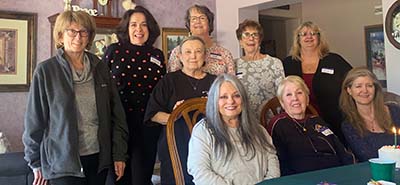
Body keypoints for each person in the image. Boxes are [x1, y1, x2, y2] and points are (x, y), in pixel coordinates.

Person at [22, 11, 129, 185]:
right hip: (62, 163)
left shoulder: (100, 67)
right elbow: (34, 121)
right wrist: (35, 162)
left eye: (83, 31)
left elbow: (117, 115)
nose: (78, 37)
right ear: (60, 36)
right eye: (71, 31)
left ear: (89, 37)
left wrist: (119, 154)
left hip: (98, 159)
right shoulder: (46, 71)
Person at [102, 6, 165, 185]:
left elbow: (162, 91)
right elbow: (101, 87)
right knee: (118, 178)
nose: (139, 29)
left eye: (144, 25)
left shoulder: (157, 55)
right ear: (126, 28)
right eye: (134, 25)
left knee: (141, 178)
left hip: (147, 126)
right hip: (118, 126)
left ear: (150, 29)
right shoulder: (113, 51)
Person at [144, 36, 216, 185]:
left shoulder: (215, 82)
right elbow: (153, 115)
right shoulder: (168, 81)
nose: (193, 56)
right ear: (180, 56)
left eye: (198, 51)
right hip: (176, 145)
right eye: (188, 52)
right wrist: (174, 115)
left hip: (211, 146)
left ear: (205, 55)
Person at [187, 74, 280, 185]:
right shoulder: (203, 131)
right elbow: (200, 171)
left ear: (243, 99)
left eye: (236, 96)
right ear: (214, 100)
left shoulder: (258, 129)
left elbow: (272, 159)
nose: (231, 101)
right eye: (223, 97)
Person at [267, 76, 354, 176]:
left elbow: (341, 150)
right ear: (282, 103)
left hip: (336, 174)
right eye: (288, 95)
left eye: (299, 93)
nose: (295, 98)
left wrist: (352, 171)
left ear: (307, 99)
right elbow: (281, 164)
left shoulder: (316, 120)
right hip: (304, 179)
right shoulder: (278, 124)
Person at [282, 21, 352, 144]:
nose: (309, 37)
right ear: (298, 39)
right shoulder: (287, 63)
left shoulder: (334, 60)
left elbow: (352, 81)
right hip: (298, 123)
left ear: (319, 38)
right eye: (303, 34)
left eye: (313, 33)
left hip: (332, 122)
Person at [340, 67, 400, 162]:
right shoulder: (349, 125)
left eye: (369, 86)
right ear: (349, 90)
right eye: (358, 86)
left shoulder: (395, 111)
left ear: (375, 89)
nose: (365, 90)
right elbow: (367, 156)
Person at [234, 19, 284, 119]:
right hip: (244, 119)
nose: (251, 38)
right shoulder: (234, 64)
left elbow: (282, 94)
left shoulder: (274, 63)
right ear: (240, 41)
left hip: (271, 118)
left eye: (255, 35)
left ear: (260, 40)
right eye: (246, 34)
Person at [167, 4, 235, 75]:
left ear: (209, 23)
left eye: (202, 18)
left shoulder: (224, 54)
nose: (198, 22)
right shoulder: (178, 52)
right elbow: (172, 81)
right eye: (193, 19)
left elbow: (232, 82)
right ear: (189, 25)